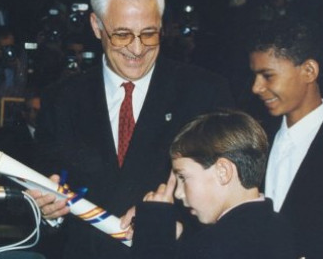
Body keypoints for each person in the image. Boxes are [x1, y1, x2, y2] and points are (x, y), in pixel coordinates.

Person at [30, 0, 233, 259]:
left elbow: (232, 200)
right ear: (96, 25)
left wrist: (166, 222)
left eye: (149, 34)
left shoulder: (206, 93)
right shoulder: (60, 99)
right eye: (122, 35)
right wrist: (50, 213)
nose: (137, 49)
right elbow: (40, 196)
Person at [126, 111, 297, 259]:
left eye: (183, 177)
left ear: (223, 171)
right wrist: (174, 239)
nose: (178, 193)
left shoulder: (214, 245)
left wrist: (153, 234)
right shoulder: (280, 229)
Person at [248, 16, 323, 258]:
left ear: (308, 71)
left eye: (268, 76)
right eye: (255, 76)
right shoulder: (255, 138)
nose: (256, 88)